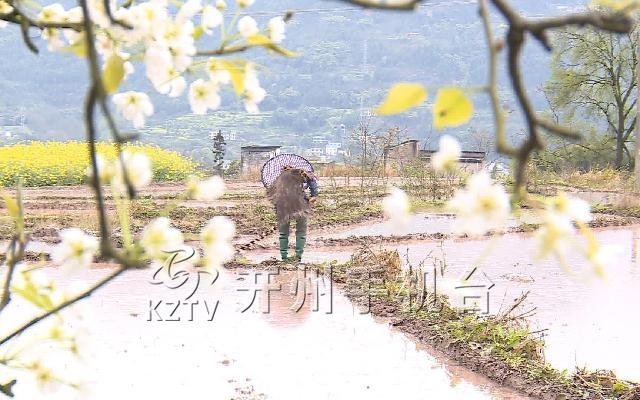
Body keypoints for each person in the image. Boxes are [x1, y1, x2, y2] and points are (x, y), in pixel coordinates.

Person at [266, 166, 318, 261]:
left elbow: (271, 195)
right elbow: (312, 181)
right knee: (301, 233)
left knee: (283, 234)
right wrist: (314, 195)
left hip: (283, 208)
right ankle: (298, 256)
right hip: (301, 206)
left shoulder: (279, 180)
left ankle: (284, 257)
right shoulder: (302, 176)